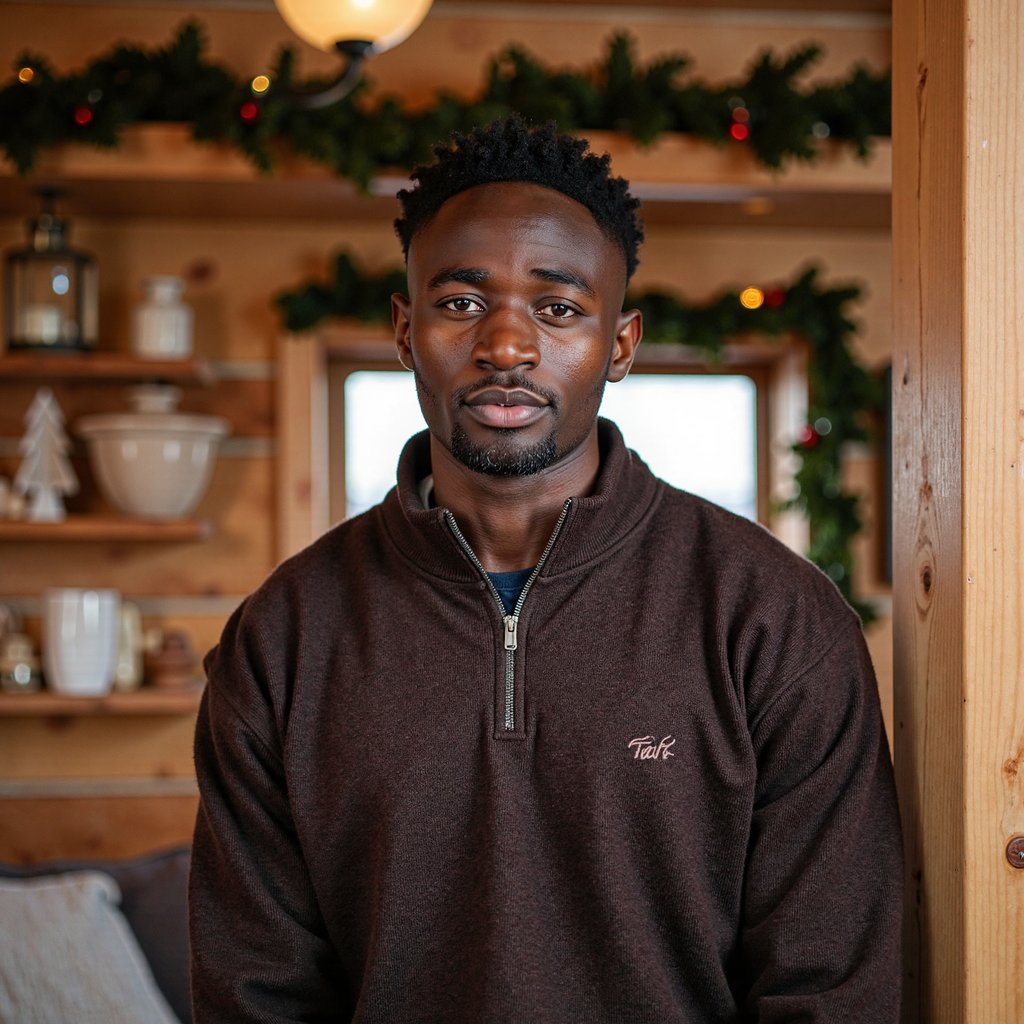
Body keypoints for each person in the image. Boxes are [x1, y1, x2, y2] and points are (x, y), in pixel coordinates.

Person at [189, 115, 902, 1023]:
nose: (506, 348)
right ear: (405, 332)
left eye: (558, 308)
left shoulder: (774, 621)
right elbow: (256, 996)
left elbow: (831, 989)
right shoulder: (284, 637)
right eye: (460, 303)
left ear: (621, 343)